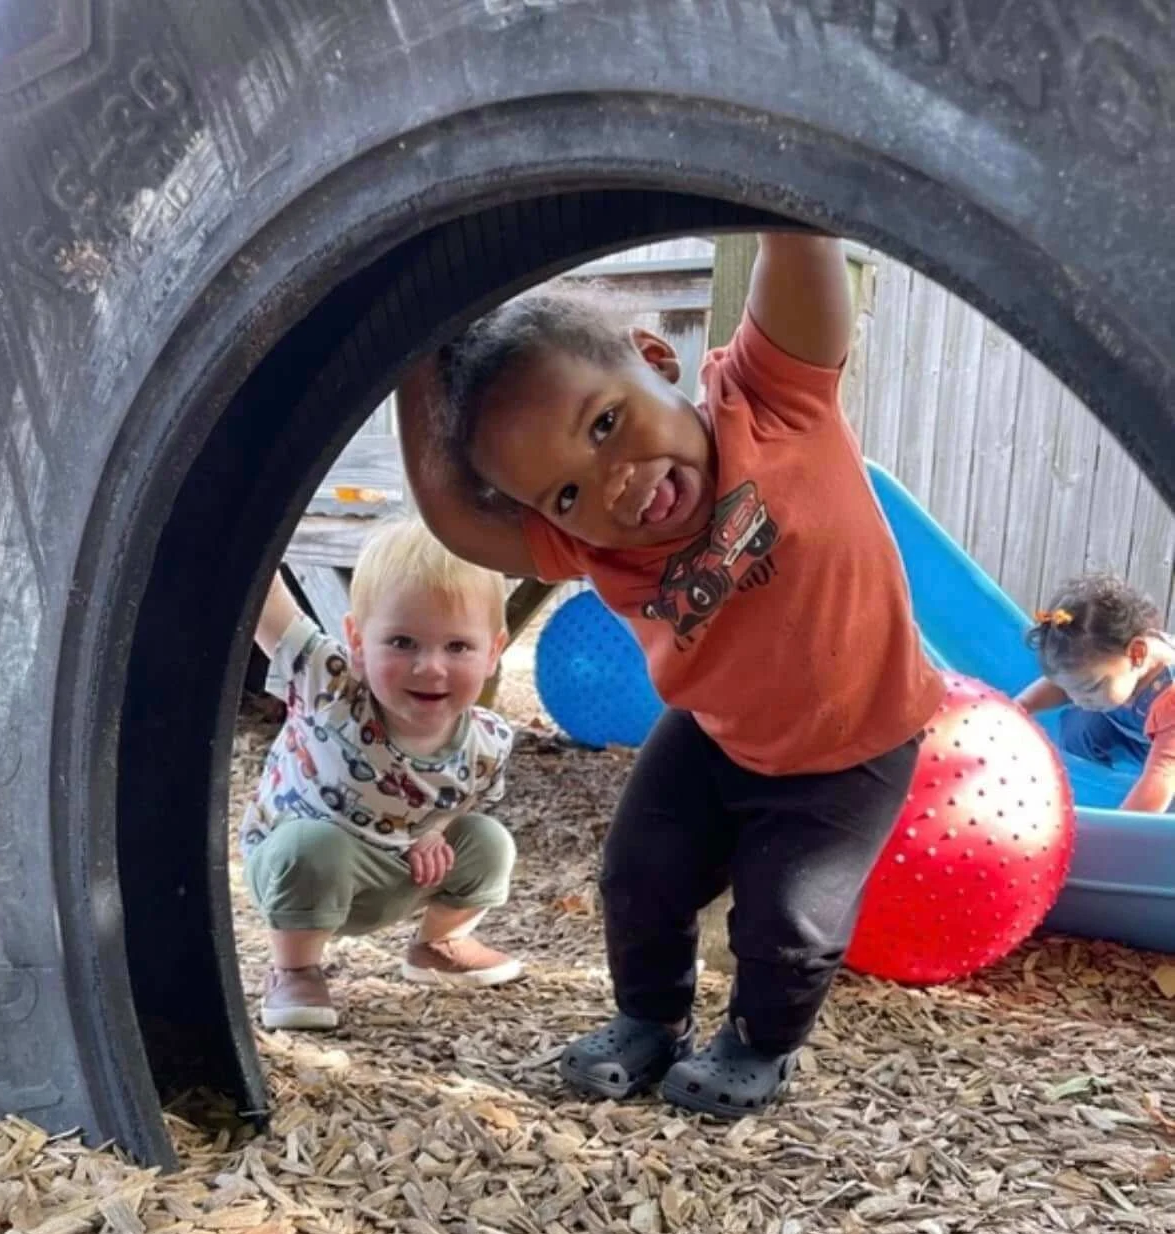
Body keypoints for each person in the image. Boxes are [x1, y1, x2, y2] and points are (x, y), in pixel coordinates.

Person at [397, 231, 943, 1118]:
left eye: (606, 424)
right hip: (716, 734)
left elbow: (800, 241)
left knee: (789, 922)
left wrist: (760, 179)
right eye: (566, 494)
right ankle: (649, 1018)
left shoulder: (772, 399)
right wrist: (406, 341)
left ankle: (761, 1045)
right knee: (638, 874)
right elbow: (460, 521)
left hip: (854, 742)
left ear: (655, 359)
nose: (611, 487)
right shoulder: (590, 547)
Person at [241, 517, 522, 1031]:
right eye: (402, 642)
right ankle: (295, 968)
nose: (430, 667)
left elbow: (463, 797)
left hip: (395, 873)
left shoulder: (489, 740)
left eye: (457, 646)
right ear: (356, 640)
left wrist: (433, 831)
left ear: (493, 652)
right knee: (312, 847)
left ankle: (438, 944)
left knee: (489, 843)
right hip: (298, 868)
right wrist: (249, 513)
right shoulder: (331, 686)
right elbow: (266, 600)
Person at [1017, 575, 1175, 814]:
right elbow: (1063, 683)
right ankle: (1095, 785)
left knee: (1163, 796)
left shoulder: (1169, 696)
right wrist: (1020, 706)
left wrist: (1122, 831)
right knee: (1079, 725)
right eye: (1071, 690)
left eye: (1091, 688)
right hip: (1136, 728)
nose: (1078, 699)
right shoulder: (1110, 661)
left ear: (1137, 655)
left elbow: (1163, 773)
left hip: (1168, 749)